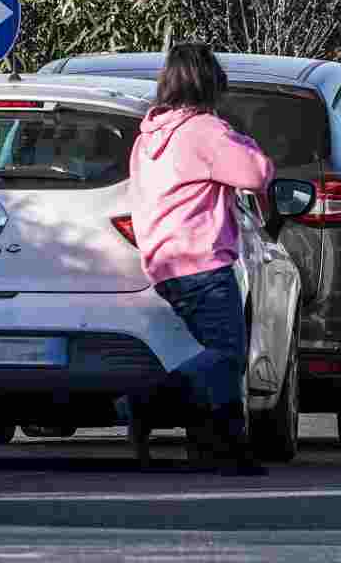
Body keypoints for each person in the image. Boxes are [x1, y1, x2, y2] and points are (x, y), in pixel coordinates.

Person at [126, 43, 276, 476]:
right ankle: (146, 404)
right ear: (209, 83)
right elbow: (257, 172)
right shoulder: (206, 131)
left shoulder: (148, 136)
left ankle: (225, 450)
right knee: (228, 356)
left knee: (217, 356)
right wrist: (238, 133)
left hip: (163, 263)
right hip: (202, 261)